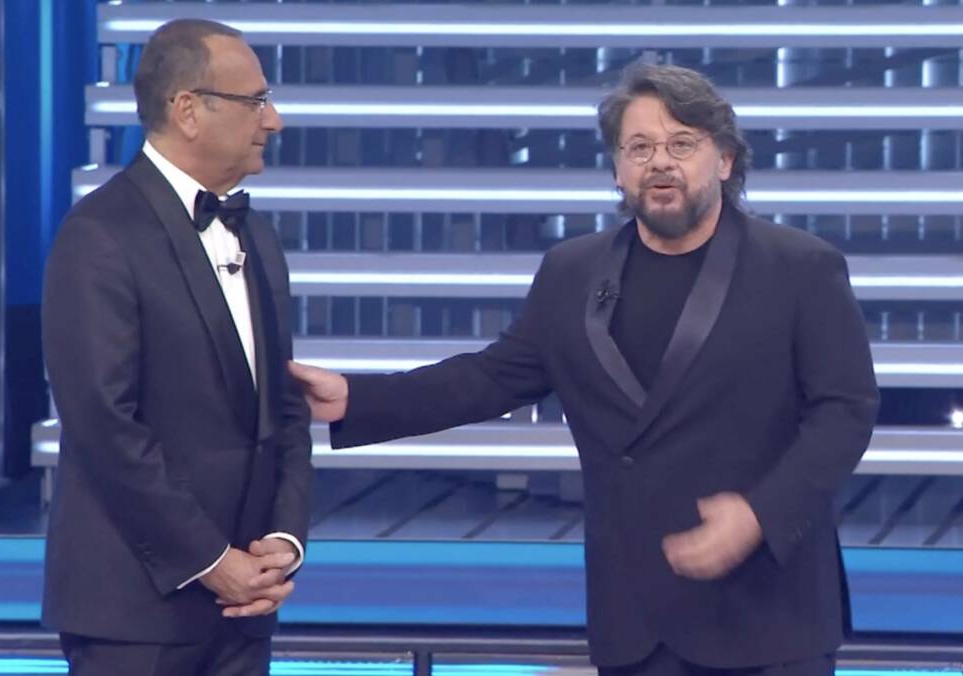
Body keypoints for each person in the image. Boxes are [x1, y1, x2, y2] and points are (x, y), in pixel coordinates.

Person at [289, 64, 879, 676]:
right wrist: (356, 398)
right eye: (639, 147)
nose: (660, 162)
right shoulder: (572, 272)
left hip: (768, 616)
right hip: (638, 619)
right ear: (618, 169)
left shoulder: (798, 268)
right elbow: (492, 378)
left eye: (682, 144)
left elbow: (845, 411)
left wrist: (758, 515)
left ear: (725, 160)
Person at [41, 18, 312, 676]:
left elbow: (284, 405)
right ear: (188, 109)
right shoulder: (100, 234)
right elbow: (104, 423)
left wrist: (282, 541)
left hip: (245, 614)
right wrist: (212, 562)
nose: (273, 121)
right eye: (255, 101)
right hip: (135, 616)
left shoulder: (258, 235)